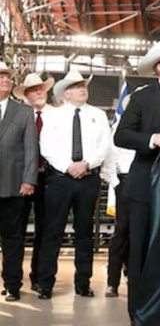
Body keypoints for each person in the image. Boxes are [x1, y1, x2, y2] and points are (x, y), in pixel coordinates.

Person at [114, 38, 160, 316]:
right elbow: (121, 135)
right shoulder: (142, 96)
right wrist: (154, 138)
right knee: (141, 249)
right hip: (145, 185)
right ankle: (139, 311)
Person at [36, 69, 112, 299]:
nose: (82, 89)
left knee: (85, 232)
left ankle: (83, 283)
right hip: (60, 179)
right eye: (76, 86)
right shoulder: (53, 116)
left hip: (88, 179)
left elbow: (105, 146)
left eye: (83, 85)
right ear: (66, 93)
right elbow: (46, 147)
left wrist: (86, 163)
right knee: (52, 232)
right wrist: (68, 166)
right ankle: (45, 284)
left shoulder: (98, 115)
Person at [11, 72, 54, 293]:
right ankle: (13, 280)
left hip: (49, 176)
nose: (39, 92)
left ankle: (38, 275)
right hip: (21, 178)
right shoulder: (16, 115)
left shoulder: (56, 116)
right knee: (15, 230)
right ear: (26, 95)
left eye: (41, 88)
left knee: (45, 229)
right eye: (33, 89)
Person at [0, 62, 38, 302]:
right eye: (0, 76)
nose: (5, 79)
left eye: (7, 76)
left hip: (13, 185)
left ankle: (12, 285)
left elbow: (31, 149)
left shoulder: (24, 112)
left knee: (13, 239)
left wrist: (29, 180)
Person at [102, 132, 135, 297]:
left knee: (142, 233)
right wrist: (117, 185)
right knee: (121, 233)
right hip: (124, 181)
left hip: (147, 182)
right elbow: (108, 162)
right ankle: (112, 282)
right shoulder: (119, 129)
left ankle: (135, 277)